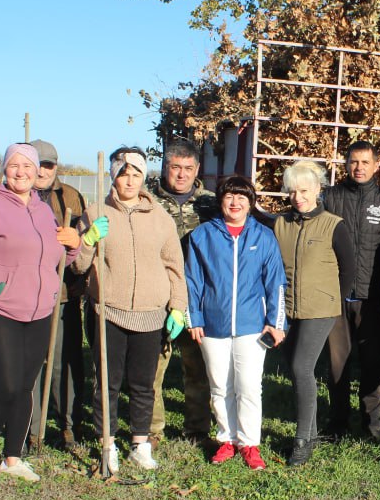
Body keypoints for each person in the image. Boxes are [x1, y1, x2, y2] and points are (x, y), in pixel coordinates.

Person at [0, 143, 78, 484]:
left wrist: (73, 245)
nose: (21, 172)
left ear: (38, 171)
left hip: (38, 310)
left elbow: (56, 261)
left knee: (24, 386)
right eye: (14, 165)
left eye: (28, 166)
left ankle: (12, 458)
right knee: (5, 386)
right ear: (4, 169)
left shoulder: (42, 211)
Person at [75, 147, 187, 473]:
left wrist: (177, 307)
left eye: (136, 173)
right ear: (113, 175)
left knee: (143, 383)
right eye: (123, 172)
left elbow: (174, 267)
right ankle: (107, 444)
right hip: (108, 311)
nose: (129, 179)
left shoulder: (160, 218)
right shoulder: (96, 211)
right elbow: (78, 266)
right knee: (107, 382)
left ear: (144, 177)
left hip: (150, 314)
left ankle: (140, 443)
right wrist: (88, 239)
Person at [185, 176, 287, 471]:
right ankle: (226, 440)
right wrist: (195, 318)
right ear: (221, 201)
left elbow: (276, 284)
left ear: (251, 202)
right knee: (219, 386)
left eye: (242, 197)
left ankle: (249, 443)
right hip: (213, 326)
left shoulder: (263, 237)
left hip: (252, 326)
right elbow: (192, 280)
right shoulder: (203, 235)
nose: (235, 202)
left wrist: (276, 323)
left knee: (249, 387)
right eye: (230, 196)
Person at [272, 161, 356, 467]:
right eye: (292, 191)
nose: (298, 197)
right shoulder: (281, 223)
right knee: (294, 369)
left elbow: (348, 268)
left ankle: (302, 440)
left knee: (301, 367)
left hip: (320, 309)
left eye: (304, 190)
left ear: (318, 190)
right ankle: (313, 428)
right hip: (289, 307)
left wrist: (334, 298)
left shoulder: (334, 224)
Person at [319, 140, 380, 440]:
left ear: (377, 166)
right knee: (338, 365)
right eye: (354, 161)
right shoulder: (330, 197)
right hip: (336, 296)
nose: (359, 167)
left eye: (365, 162)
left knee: (372, 363)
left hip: (372, 298)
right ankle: (337, 423)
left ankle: (372, 427)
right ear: (345, 164)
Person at [150, 139, 218, 446]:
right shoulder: (148, 201)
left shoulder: (211, 204)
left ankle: (197, 429)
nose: (181, 175)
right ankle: (150, 432)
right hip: (156, 297)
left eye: (188, 168)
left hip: (196, 299)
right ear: (166, 167)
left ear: (197, 170)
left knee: (198, 371)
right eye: (175, 167)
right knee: (152, 370)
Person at [25, 139, 88, 451]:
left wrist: (80, 273)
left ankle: (68, 427)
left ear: (56, 167)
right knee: (30, 364)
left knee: (65, 363)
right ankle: (30, 429)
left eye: (48, 164)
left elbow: (86, 244)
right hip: (23, 297)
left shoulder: (71, 197)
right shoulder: (16, 197)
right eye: (37, 164)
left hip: (62, 295)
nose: (42, 171)